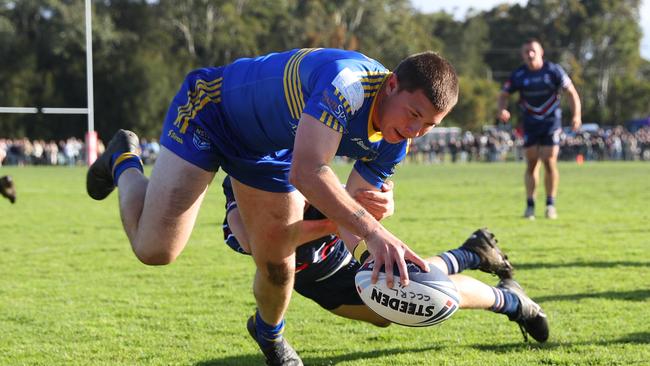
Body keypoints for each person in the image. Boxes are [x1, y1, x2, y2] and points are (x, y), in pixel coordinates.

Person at [86, 48, 459, 365]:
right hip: (212, 112)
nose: (415, 132)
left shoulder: (395, 143)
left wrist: (370, 251)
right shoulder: (346, 84)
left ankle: (270, 335)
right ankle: (123, 160)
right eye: (413, 114)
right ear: (392, 84)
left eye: (429, 125)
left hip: (268, 153)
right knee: (155, 251)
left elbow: (350, 211)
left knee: (278, 260)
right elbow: (309, 172)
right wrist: (374, 231)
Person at [219, 175, 549, 362]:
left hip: (337, 260)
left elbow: (350, 210)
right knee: (387, 310)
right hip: (316, 278)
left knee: (417, 295)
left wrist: (373, 205)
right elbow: (254, 241)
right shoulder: (244, 178)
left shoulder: (301, 167)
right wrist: (338, 222)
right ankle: (470, 253)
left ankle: (512, 301)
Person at [496, 38, 582, 220]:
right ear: (523, 55)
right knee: (532, 163)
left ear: (541, 52)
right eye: (526, 51)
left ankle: (550, 204)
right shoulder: (519, 74)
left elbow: (571, 92)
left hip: (551, 122)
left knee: (549, 161)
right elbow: (503, 94)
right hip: (530, 123)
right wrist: (502, 109)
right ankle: (530, 205)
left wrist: (576, 116)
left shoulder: (553, 71)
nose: (530, 54)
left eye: (533, 50)